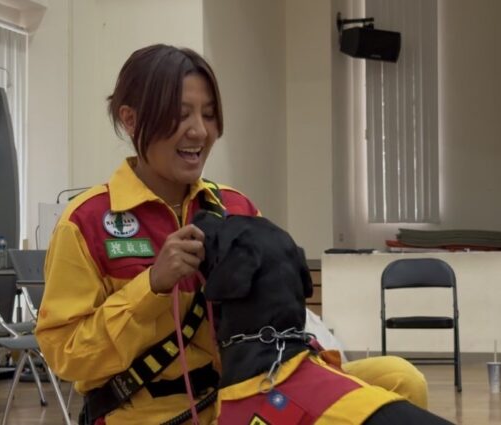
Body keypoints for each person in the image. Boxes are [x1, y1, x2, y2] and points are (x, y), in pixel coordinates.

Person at [35, 44, 428, 425]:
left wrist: (314, 366)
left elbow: (278, 313)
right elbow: (67, 357)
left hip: (255, 392)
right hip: (155, 413)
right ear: (131, 120)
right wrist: (152, 287)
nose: (199, 131)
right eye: (180, 115)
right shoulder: (85, 222)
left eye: (208, 115)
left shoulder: (235, 208)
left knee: (399, 380)